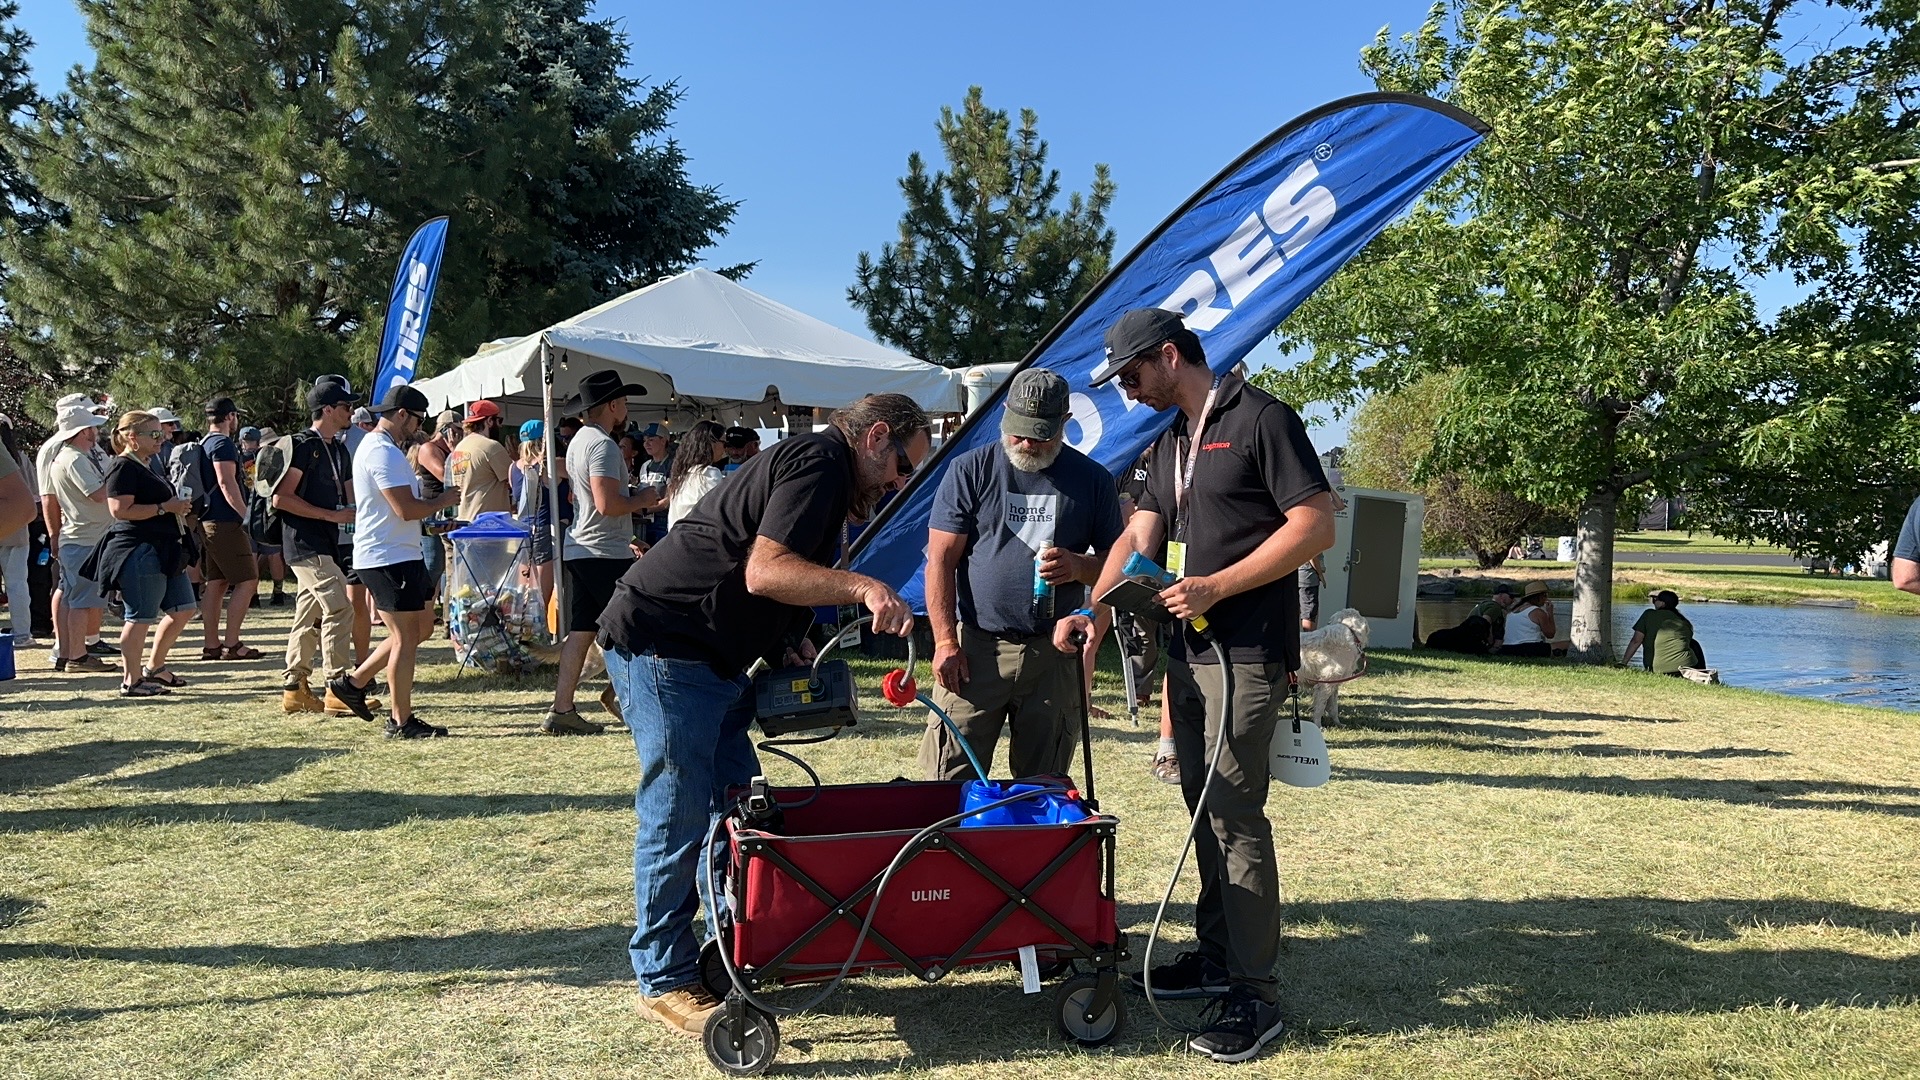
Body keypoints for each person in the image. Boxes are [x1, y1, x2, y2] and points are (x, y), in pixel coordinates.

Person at [598, 391, 928, 1037]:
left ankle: (729, 950)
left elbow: (757, 565)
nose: (898, 482)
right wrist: (863, 586)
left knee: (736, 810)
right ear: (875, 436)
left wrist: (786, 638)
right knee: (680, 811)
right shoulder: (819, 459)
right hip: (668, 647)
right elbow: (766, 570)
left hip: (707, 657)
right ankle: (663, 979)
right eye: (902, 466)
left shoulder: (821, 468)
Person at [1053, 308, 1334, 1064]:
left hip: (1244, 652)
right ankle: (1217, 957)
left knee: (1235, 811)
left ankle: (1255, 994)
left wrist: (1215, 587)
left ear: (1169, 356)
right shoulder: (1169, 438)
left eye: (1133, 375)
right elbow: (1138, 534)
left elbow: (1315, 525)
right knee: (1201, 804)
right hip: (1185, 653)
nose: (1128, 391)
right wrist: (1095, 612)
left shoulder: (1262, 418)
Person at [920, 368, 1123, 781]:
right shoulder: (970, 470)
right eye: (1019, 431)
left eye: (1041, 434)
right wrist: (944, 641)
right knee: (944, 783)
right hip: (975, 651)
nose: (1028, 443)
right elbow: (940, 560)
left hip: (1052, 656)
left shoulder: (1094, 480)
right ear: (1004, 414)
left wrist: (1080, 567)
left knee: (1042, 789)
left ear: (1064, 423)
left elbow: (1116, 567)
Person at [326, 384, 461, 738]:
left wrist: (431, 523)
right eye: (417, 420)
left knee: (418, 629)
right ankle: (400, 721)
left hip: (397, 551)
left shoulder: (386, 449)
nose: (419, 427)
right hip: (387, 556)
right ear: (402, 414)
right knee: (405, 637)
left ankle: (353, 684)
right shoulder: (381, 451)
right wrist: (442, 500)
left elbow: (400, 511)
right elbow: (404, 509)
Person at [545, 370, 656, 737]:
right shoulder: (604, 445)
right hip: (601, 552)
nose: (625, 407)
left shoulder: (579, 440)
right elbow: (607, 504)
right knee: (632, 627)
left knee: (580, 632)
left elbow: (589, 500)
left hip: (583, 547)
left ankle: (562, 709)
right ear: (611, 405)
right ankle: (635, 706)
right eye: (623, 401)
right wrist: (644, 499)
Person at [273, 379, 368, 715]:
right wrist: (331, 514)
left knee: (308, 613)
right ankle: (337, 686)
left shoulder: (339, 449)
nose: (351, 413)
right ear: (327, 410)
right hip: (304, 542)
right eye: (345, 407)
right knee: (341, 608)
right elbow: (281, 498)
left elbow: (354, 497)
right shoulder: (303, 446)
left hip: (325, 544)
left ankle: (294, 688)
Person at [88, 411, 197, 696]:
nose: (162, 439)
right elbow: (119, 510)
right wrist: (165, 508)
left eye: (161, 434)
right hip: (139, 550)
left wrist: (175, 507)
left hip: (164, 549)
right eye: (155, 434)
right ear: (132, 438)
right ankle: (131, 680)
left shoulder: (147, 464)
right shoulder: (123, 466)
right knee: (139, 617)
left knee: (185, 609)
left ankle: (154, 668)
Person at [45, 402, 117, 673]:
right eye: (91, 428)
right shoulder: (74, 458)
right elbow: (98, 494)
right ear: (83, 431)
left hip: (82, 538)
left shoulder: (72, 456)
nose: (95, 433)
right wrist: (122, 478)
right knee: (81, 601)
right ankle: (77, 655)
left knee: (73, 597)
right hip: (84, 539)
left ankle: (69, 653)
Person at [194, 396, 263, 660]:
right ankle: (232, 644)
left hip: (209, 519)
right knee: (247, 580)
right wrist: (246, 517)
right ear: (230, 417)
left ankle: (212, 644)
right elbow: (226, 483)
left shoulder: (205, 442)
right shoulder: (222, 443)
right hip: (224, 521)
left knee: (217, 582)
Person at [512, 420, 570, 627]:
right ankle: (535, 634)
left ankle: (520, 633)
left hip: (523, 530)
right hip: (547, 529)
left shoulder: (514, 467)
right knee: (541, 595)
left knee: (524, 591)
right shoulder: (550, 464)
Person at [447, 400, 513, 523]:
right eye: (499, 420)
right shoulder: (491, 447)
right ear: (489, 421)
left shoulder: (460, 447)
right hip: (489, 525)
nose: (500, 426)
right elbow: (515, 480)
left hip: (464, 521)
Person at [0, 417, 35, 644]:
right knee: (17, 584)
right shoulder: (20, 460)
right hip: (17, 530)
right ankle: (23, 634)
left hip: (10, 523)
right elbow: (33, 494)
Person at [665, 420, 726, 528]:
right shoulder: (708, 474)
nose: (725, 448)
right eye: (724, 443)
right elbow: (721, 512)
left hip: (676, 539)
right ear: (712, 443)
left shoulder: (681, 476)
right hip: (699, 540)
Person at [1622, 589, 1699, 674]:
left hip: (1658, 669)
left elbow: (1636, 641)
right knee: (1694, 644)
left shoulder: (1649, 614)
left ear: (1662, 603)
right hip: (1688, 666)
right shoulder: (1684, 621)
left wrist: (1624, 663)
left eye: (1655, 600)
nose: (1653, 602)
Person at [635, 424, 672, 545]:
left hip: (663, 522)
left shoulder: (672, 464)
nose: (646, 444)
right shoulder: (645, 466)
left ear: (663, 440)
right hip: (643, 522)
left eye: (651, 440)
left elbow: (671, 498)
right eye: (645, 440)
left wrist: (646, 510)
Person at [1502, 581, 1556, 657]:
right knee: (1565, 644)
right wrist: (1550, 613)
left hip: (1507, 648)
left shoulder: (1511, 613)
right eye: (1544, 595)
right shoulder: (1537, 612)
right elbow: (1550, 634)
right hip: (1529, 648)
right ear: (1538, 597)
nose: (1546, 599)